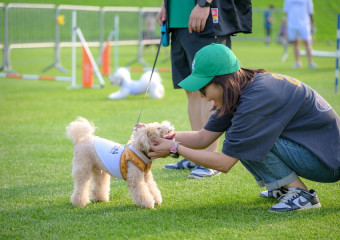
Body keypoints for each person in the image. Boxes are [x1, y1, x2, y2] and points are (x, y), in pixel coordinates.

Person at [148, 44, 340, 212]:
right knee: (241, 137)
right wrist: (160, 135)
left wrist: (175, 149)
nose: (203, 96)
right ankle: (283, 188)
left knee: (241, 137)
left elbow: (224, 163)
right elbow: (202, 137)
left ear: (221, 81)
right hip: (319, 154)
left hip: (326, 163)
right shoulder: (243, 88)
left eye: (203, 88)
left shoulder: (255, 99)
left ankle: (301, 194)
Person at [156, 0, 252, 178]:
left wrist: (203, 4)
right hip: (178, 21)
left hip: (204, 16)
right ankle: (196, 155)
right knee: (192, 90)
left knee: (209, 88)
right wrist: (165, 5)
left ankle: (209, 157)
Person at [283, 0, 317, 68]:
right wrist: (287, 22)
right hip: (292, 24)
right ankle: (298, 62)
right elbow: (287, 12)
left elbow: (310, 12)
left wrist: (312, 23)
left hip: (304, 24)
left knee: (307, 42)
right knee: (295, 43)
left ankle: (311, 62)